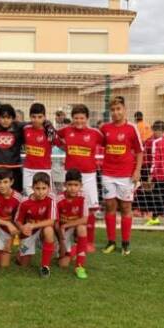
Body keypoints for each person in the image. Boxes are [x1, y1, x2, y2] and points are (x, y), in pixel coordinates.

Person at [99, 96, 144, 255]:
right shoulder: (105, 128)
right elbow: (100, 146)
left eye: (118, 109)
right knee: (110, 206)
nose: (116, 112)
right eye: (113, 110)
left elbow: (139, 152)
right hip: (108, 174)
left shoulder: (132, 128)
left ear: (124, 109)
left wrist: (137, 171)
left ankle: (125, 243)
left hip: (126, 175)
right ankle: (111, 242)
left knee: (126, 207)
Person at [55, 104, 102, 252]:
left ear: (87, 118)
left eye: (82, 118)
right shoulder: (67, 130)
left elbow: (109, 143)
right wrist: (63, 146)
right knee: (69, 206)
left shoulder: (95, 133)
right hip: (71, 175)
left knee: (91, 209)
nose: (79, 121)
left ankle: (89, 241)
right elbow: (52, 135)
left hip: (88, 175)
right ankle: (70, 238)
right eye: (76, 118)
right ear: (72, 119)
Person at [14, 172, 57, 278]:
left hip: (42, 231)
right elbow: (17, 220)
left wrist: (33, 225)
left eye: (44, 188)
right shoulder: (25, 202)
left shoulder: (51, 199)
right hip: (29, 233)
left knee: (49, 230)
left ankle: (45, 267)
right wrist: (22, 228)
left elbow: (51, 221)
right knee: (23, 264)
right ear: (32, 187)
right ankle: (21, 254)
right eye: (38, 188)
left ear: (49, 188)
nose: (41, 192)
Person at [56, 169, 89, 279]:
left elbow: (85, 219)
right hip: (61, 231)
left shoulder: (83, 196)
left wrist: (67, 225)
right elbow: (55, 222)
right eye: (70, 185)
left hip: (72, 228)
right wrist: (61, 239)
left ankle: (80, 266)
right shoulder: (59, 199)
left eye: (76, 185)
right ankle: (72, 250)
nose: (73, 188)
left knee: (82, 228)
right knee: (63, 264)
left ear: (81, 186)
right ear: (65, 185)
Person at [22, 103, 56, 195]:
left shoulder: (49, 131)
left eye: (40, 117)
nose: (36, 120)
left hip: (44, 169)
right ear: (30, 117)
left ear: (44, 117)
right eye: (33, 117)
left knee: (46, 197)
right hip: (28, 170)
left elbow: (60, 144)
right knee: (29, 197)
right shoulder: (25, 129)